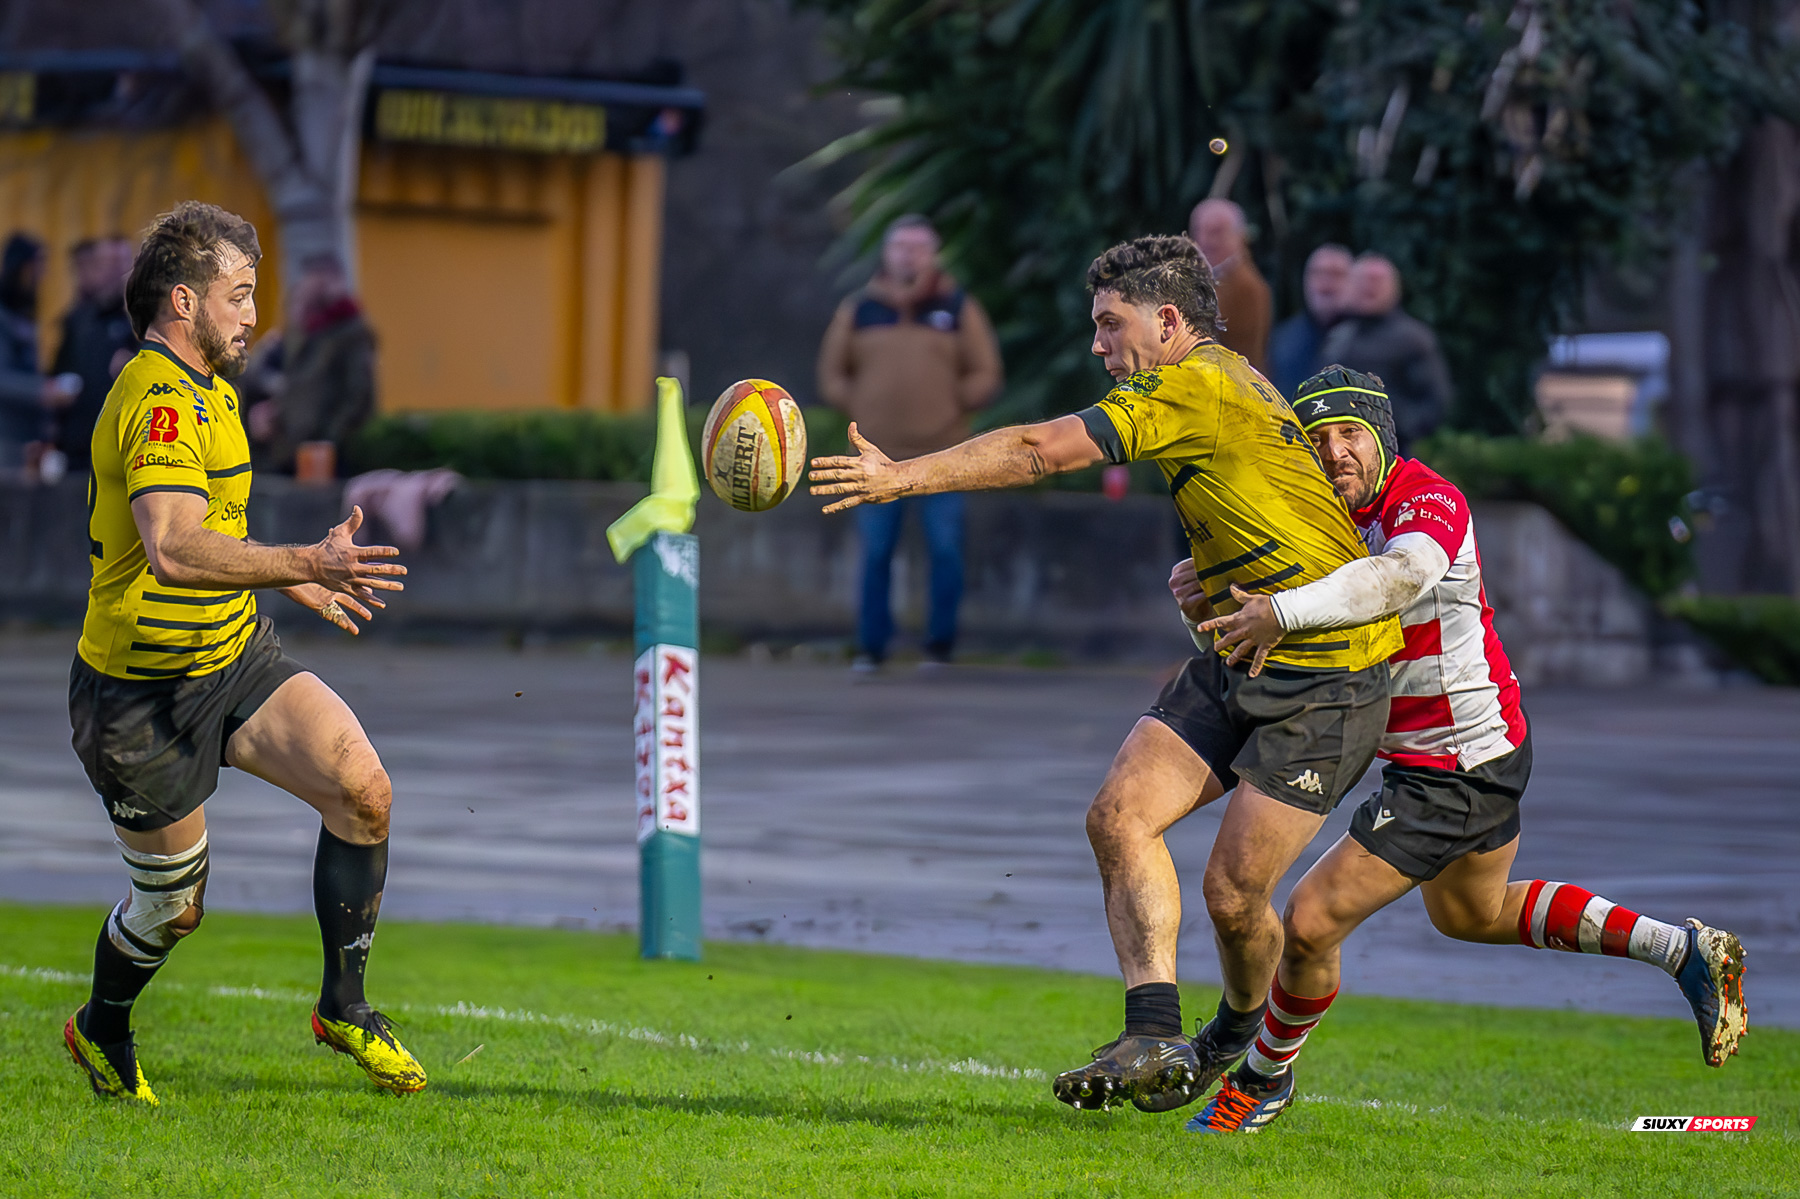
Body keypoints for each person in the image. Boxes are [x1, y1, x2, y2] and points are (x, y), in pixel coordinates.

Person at [810, 235, 1402, 1115]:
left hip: (1333, 675)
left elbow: (1043, 449)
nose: (1097, 345)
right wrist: (1211, 573)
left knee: (1233, 896)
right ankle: (1154, 1030)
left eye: (1108, 323)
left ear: (1167, 322)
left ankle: (1239, 1036)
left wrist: (901, 478)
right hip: (1245, 646)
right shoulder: (1221, 380)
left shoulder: (1196, 382)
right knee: (1119, 814)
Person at [1177, 366, 1749, 1132]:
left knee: (1309, 920)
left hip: (1455, 758)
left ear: (1382, 440)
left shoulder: (1426, 498)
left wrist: (1277, 606)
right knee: (1472, 912)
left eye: (1351, 434)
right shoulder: (1316, 523)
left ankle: (1263, 1080)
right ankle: (1682, 950)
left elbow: (1401, 574)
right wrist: (1208, 611)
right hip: (1468, 750)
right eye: (1318, 440)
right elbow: (1274, 649)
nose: (1335, 451)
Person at [61, 201, 425, 1105]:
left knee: (363, 788)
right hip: (138, 694)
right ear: (183, 301)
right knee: (174, 908)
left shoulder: (211, 388)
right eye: (238, 294)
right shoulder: (158, 403)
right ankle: (102, 1026)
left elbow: (215, 526)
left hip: (233, 654)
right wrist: (304, 558)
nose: (253, 313)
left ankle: (345, 1006)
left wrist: (282, 579)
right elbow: (174, 548)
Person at [817, 214, 1002, 668]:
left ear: (934, 253)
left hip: (945, 456)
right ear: (886, 252)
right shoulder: (858, 308)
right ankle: (871, 649)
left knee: (945, 551)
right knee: (875, 553)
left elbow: (986, 372)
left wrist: (955, 402)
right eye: (901, 246)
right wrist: (858, 402)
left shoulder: (958, 307)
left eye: (919, 247)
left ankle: (939, 647)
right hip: (874, 457)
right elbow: (831, 373)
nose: (909, 255)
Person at [249, 252, 376, 476]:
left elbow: (358, 396)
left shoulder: (351, 334)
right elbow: (294, 388)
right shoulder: (306, 333)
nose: (307, 285)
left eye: (315, 277)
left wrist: (328, 440)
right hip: (289, 451)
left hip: (325, 457)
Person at [1317, 254, 1452, 455]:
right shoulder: (1338, 337)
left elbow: (1436, 401)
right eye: (1363, 280)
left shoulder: (1413, 339)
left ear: (1395, 288)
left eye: (1378, 280)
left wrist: (1395, 426)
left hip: (1394, 453)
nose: (1370, 287)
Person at [52, 235, 138, 471]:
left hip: (123, 441)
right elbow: (59, 374)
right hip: (78, 444)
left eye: (120, 263)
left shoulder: (140, 320)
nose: (114, 272)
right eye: (107, 264)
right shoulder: (78, 320)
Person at [1, 232, 80, 474]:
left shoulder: (23, 311)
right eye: (37, 264)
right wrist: (42, 391)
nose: (42, 273)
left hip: (27, 439)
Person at [1188, 199, 1271, 374]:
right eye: (1199, 231)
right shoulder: (1210, 277)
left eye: (1216, 232)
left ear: (1240, 236)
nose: (1205, 240)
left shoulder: (1246, 287)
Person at [1266, 244, 1352, 400]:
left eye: (1336, 274)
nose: (1326, 282)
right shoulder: (1282, 339)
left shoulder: (1375, 341)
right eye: (1318, 273)